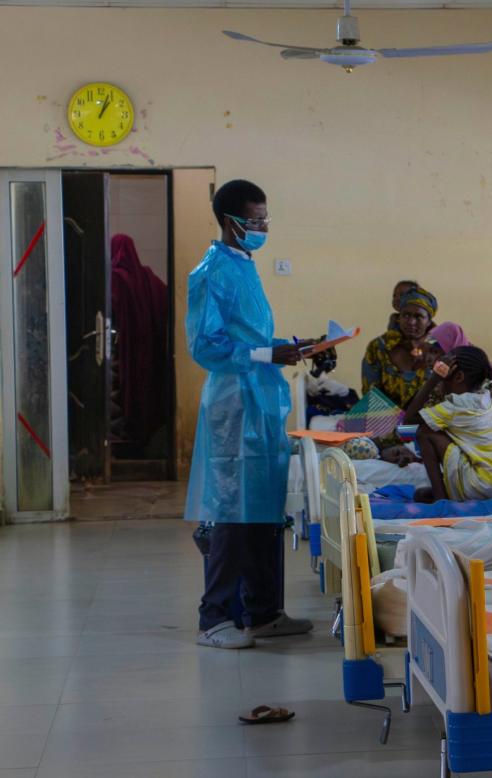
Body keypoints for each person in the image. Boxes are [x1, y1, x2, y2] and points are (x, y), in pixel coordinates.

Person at [185, 179, 313, 650]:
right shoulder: (211, 271)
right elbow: (206, 345)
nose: (262, 228)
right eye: (254, 221)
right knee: (233, 512)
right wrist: (266, 356)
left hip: (260, 399)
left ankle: (262, 612)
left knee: (263, 509)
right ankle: (214, 618)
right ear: (229, 222)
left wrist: (287, 348)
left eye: (265, 220)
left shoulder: (245, 265)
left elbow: (250, 335)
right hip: (233, 402)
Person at [407, 345, 492, 502]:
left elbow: (408, 420)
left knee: (424, 431)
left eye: (443, 370)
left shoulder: (457, 405)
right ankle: (449, 491)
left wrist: (434, 378)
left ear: (458, 377)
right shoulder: (485, 398)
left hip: (480, 486)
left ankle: (441, 500)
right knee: (421, 494)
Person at [361, 283, 438, 459]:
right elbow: (371, 394)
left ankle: (408, 451)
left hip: (425, 425)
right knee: (360, 444)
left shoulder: (439, 349)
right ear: (398, 316)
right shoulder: (379, 347)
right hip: (384, 424)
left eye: (418, 317)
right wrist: (391, 433)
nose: (411, 322)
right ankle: (396, 451)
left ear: (429, 320)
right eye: (406, 315)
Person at [110, 233, 169, 453]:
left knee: (119, 396)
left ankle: (119, 446)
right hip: (147, 352)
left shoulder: (114, 278)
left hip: (119, 351)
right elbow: (167, 304)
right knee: (143, 394)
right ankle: (139, 443)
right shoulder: (148, 278)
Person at [421, 321, 492, 406]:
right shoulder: (441, 380)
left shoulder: (480, 390)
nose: (428, 359)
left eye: (434, 352)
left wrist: (433, 381)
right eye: (427, 352)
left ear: (451, 350)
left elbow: (416, 421)